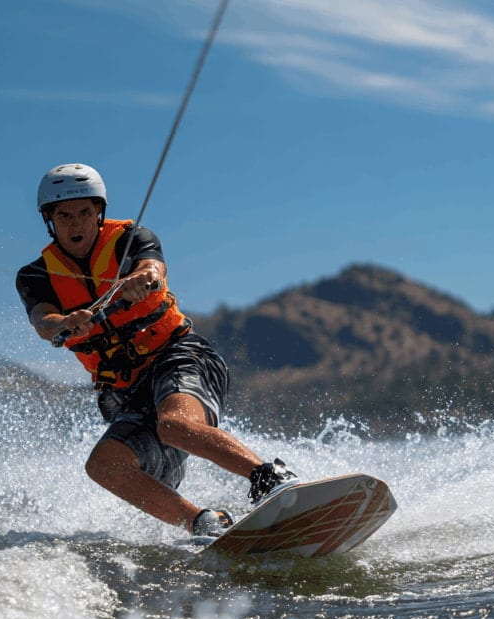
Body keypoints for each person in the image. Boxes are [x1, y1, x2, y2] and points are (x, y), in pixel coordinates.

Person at [16, 163, 297, 537]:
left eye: (85, 213)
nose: (76, 224)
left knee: (175, 424)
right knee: (103, 466)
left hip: (179, 357)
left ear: (98, 213)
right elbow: (42, 321)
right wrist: (65, 323)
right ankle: (204, 524)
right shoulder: (35, 276)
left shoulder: (130, 239)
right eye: (64, 216)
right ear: (49, 220)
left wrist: (141, 278)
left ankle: (272, 479)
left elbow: (153, 268)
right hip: (127, 392)